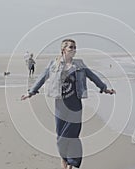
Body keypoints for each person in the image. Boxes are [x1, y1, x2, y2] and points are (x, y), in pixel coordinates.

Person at [21, 39, 115, 169]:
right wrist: (31, 92)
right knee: (61, 138)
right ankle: (65, 163)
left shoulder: (79, 64)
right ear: (63, 49)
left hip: (75, 105)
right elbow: (42, 78)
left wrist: (104, 89)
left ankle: (71, 164)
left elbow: (93, 76)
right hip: (60, 104)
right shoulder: (53, 65)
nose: (74, 49)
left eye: (75, 47)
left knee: (72, 136)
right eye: (71, 47)